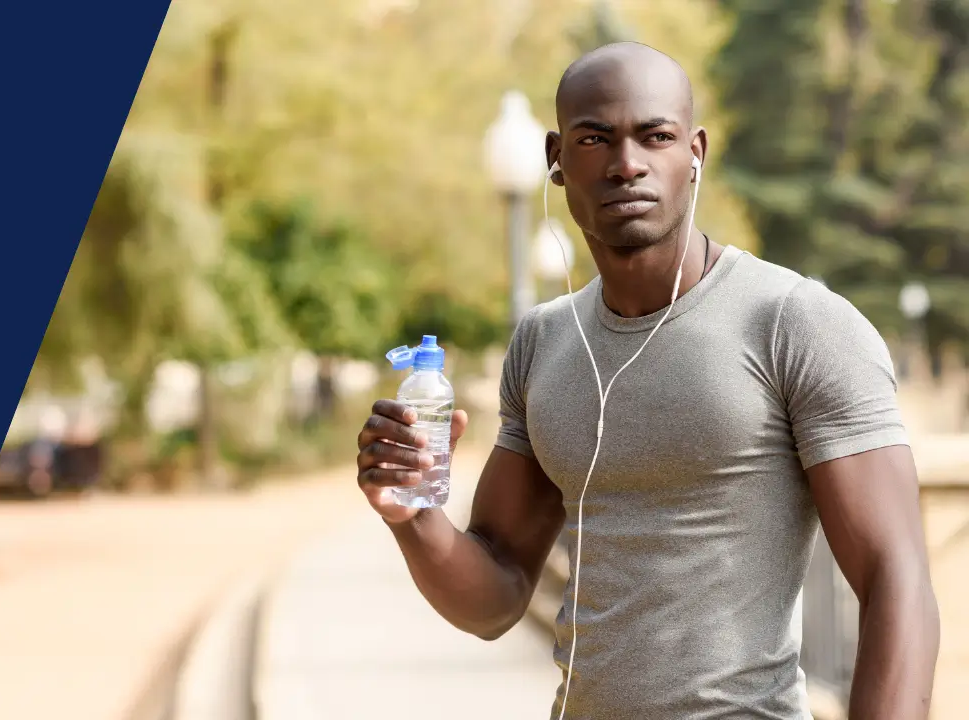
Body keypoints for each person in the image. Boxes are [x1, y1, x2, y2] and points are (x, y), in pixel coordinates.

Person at [355, 42, 940, 719]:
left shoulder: (795, 323)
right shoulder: (544, 343)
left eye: (654, 137)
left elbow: (895, 579)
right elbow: (495, 598)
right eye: (595, 138)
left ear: (694, 152)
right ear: (556, 159)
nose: (626, 164)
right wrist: (413, 516)